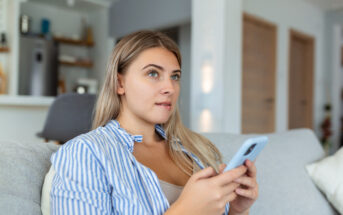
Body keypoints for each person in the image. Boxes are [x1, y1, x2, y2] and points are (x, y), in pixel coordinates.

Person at [50, 30, 258, 215]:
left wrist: (239, 210)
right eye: (153, 73)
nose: (170, 87)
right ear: (119, 83)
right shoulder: (86, 153)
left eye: (175, 76)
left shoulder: (197, 150)